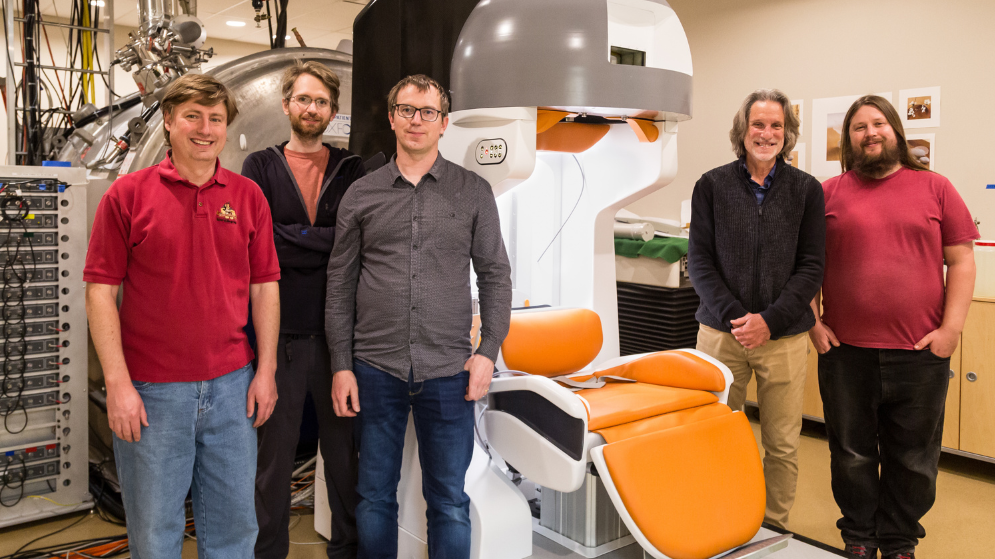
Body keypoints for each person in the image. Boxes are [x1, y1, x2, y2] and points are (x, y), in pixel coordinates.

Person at [84, 74, 281, 558]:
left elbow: (265, 288)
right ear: (169, 122)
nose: (205, 128)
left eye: (215, 118)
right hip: (152, 394)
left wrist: (267, 371)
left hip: (233, 387)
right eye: (192, 115)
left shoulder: (249, 196)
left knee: (236, 530)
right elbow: (100, 293)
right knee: (154, 535)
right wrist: (118, 385)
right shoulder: (126, 196)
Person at [325, 74, 512, 559]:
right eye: (407, 110)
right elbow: (340, 284)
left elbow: (495, 275)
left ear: (444, 123)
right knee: (374, 497)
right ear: (391, 118)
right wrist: (342, 365)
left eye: (428, 112)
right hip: (374, 368)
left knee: (449, 500)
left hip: (449, 369)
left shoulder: (472, 192)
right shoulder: (361, 195)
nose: (417, 120)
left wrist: (487, 353)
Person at [809, 95, 978, 559]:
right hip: (845, 352)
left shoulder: (935, 187)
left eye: (878, 123)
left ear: (896, 132)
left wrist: (951, 330)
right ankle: (860, 536)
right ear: (849, 140)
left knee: (914, 459)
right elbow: (807, 265)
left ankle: (900, 541)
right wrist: (813, 321)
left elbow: (962, 260)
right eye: (859, 127)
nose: (870, 133)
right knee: (852, 454)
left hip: (920, 353)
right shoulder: (828, 193)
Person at [243, 61, 366, 559]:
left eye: (321, 102)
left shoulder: (351, 168)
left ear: (332, 111)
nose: (311, 108)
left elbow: (354, 242)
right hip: (279, 341)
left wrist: (292, 236)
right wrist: (326, 240)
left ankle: (348, 551)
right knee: (272, 466)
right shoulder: (259, 165)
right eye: (303, 99)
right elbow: (260, 241)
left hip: (342, 344)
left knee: (345, 462)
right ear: (286, 104)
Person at [688, 88, 825, 530]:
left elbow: (811, 267)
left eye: (776, 126)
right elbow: (700, 262)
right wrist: (738, 318)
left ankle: (772, 527)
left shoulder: (807, 191)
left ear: (788, 134)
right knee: (714, 436)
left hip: (782, 339)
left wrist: (769, 321)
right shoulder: (710, 185)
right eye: (758, 125)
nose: (766, 134)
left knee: (782, 444)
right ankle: (720, 518)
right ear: (742, 131)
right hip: (720, 336)